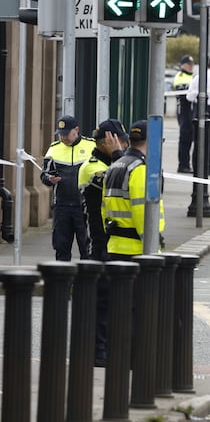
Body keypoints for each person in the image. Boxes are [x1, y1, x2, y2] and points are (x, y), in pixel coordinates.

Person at [79, 118, 128, 366]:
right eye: (121, 141)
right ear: (109, 141)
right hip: (100, 244)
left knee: (110, 304)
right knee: (102, 304)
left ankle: (107, 350)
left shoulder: (110, 164)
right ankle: (99, 354)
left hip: (110, 243)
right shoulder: (94, 167)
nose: (126, 146)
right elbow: (119, 179)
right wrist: (119, 154)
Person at [103, 120, 165, 260]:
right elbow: (142, 211)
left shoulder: (114, 166)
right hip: (137, 249)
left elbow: (104, 208)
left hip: (115, 246)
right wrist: (151, 245)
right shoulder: (140, 169)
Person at [41, 115, 95, 260]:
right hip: (62, 206)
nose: (63, 137)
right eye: (60, 134)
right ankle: (62, 281)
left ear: (76, 130)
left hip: (84, 206)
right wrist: (50, 179)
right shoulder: (54, 149)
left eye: (66, 134)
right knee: (61, 247)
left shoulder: (91, 146)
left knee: (87, 248)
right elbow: (44, 175)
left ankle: (86, 281)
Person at [173, 55, 196, 173]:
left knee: (189, 139)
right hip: (184, 111)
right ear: (183, 65)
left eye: (191, 64)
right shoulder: (181, 76)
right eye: (188, 64)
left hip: (189, 111)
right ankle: (183, 165)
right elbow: (183, 92)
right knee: (185, 139)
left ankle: (186, 164)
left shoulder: (191, 76)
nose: (190, 67)